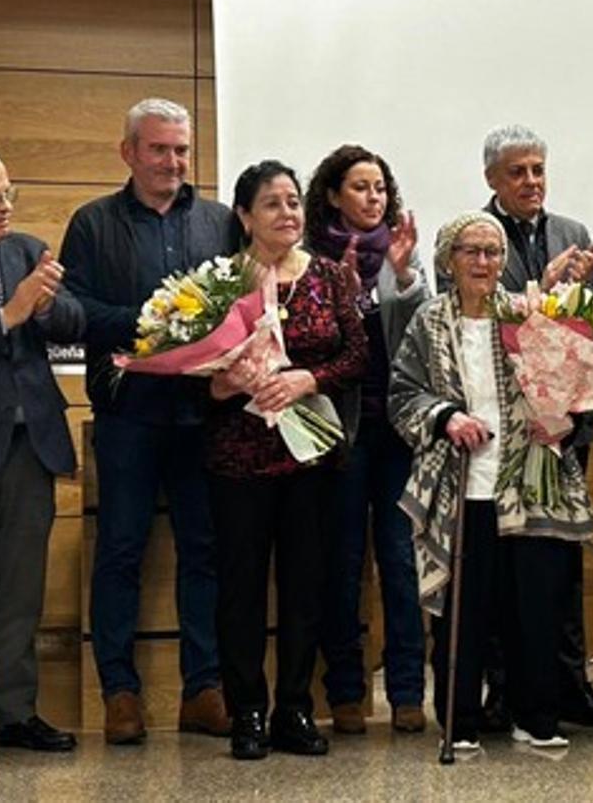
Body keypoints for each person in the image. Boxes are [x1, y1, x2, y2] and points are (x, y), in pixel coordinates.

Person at [60, 98, 235, 744]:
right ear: (128, 151)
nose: (172, 162)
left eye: (182, 150)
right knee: (121, 549)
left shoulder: (219, 222)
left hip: (202, 415)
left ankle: (203, 687)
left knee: (204, 551)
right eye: (159, 149)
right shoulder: (92, 222)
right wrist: (155, 320)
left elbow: (243, 303)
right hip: (127, 412)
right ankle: (119, 691)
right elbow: (71, 308)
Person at [388, 210, 593, 749]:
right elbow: (402, 394)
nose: (484, 262)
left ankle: (536, 716)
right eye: (471, 251)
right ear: (448, 260)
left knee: (534, 607)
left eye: (493, 252)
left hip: (528, 485)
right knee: (464, 611)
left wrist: (563, 420)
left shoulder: (529, 315)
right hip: (461, 489)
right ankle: (460, 721)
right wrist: (446, 417)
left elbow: (574, 388)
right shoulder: (430, 321)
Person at [206, 160, 367, 760]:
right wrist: (217, 387)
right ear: (245, 216)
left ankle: (294, 709)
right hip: (239, 456)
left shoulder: (326, 275)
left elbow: (357, 356)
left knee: (306, 586)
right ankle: (246, 709)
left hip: (311, 458)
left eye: (294, 202)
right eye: (272, 204)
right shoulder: (219, 282)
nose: (288, 214)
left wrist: (308, 379)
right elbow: (194, 368)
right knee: (240, 589)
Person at [473, 124, 593, 730]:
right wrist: (544, 287)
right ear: (492, 180)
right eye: (517, 173)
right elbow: (475, 317)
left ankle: (569, 681)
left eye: (537, 170)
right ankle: (505, 688)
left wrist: (576, 295)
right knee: (507, 567)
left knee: (563, 561)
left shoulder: (574, 233)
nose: (531, 182)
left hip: (563, 430)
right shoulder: (474, 236)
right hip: (504, 433)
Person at [0, 145, 84, 760]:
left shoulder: (27, 250)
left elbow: (72, 320)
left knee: (20, 588)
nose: (5, 207)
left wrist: (50, 306)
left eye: (9, 193)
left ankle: (17, 711)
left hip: (31, 444)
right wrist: (9, 313)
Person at [304, 144, 428, 735]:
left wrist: (401, 276)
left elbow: (416, 345)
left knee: (402, 563)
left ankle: (407, 691)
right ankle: (347, 692)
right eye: (359, 187)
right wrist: (348, 291)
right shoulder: (309, 260)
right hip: (342, 433)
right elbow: (321, 347)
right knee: (343, 562)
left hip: (397, 432)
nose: (372, 197)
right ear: (333, 195)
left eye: (379, 187)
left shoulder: (401, 258)